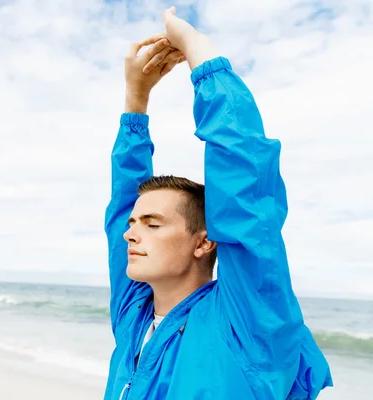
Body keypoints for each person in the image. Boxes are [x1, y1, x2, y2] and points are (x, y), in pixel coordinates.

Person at [103, 7, 333, 400]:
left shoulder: (246, 326)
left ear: (205, 241)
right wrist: (135, 102)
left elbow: (245, 196)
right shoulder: (134, 319)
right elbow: (122, 206)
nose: (129, 233)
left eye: (152, 224)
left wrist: (201, 55)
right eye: (134, 223)